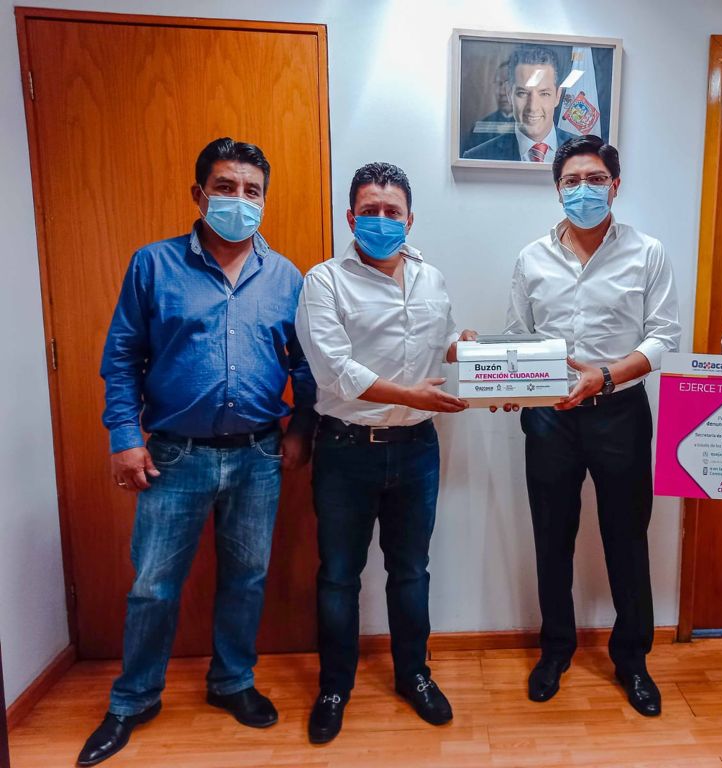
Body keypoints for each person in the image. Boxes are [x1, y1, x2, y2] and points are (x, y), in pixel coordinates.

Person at [78, 138, 316, 766]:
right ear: (199, 194)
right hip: (173, 457)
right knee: (153, 585)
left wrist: (301, 430)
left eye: (252, 191)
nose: (240, 201)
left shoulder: (286, 277)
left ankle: (232, 681)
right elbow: (122, 359)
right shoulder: (153, 265)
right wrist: (124, 438)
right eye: (226, 187)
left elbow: (305, 366)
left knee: (247, 578)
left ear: (264, 200)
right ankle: (133, 699)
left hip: (258, 456)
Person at [296, 162, 475, 744]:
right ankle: (334, 688)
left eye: (391, 211)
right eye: (368, 211)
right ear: (351, 219)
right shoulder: (324, 281)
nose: (380, 220)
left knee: (411, 571)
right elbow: (334, 370)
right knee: (338, 576)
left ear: (409, 219)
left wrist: (472, 353)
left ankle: (414, 675)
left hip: (417, 449)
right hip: (346, 451)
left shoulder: (431, 278)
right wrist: (408, 394)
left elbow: (442, 341)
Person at [503, 135, 681, 715]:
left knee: (627, 538)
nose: (584, 190)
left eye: (596, 179)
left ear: (615, 186)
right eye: (572, 181)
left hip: (620, 413)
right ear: (558, 189)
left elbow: (663, 337)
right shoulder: (530, 258)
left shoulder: (647, 253)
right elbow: (518, 337)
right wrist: (504, 382)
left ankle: (633, 660)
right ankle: (556, 649)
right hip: (549, 417)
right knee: (551, 536)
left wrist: (605, 376)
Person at [464, 45, 573, 163]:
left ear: (557, 96)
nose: (532, 107)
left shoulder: (586, 152)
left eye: (544, 94)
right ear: (509, 93)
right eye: (522, 93)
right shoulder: (476, 157)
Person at [462, 59, 515, 152]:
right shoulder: (479, 128)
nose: (502, 92)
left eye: (509, 84)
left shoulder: (531, 127)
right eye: (499, 84)